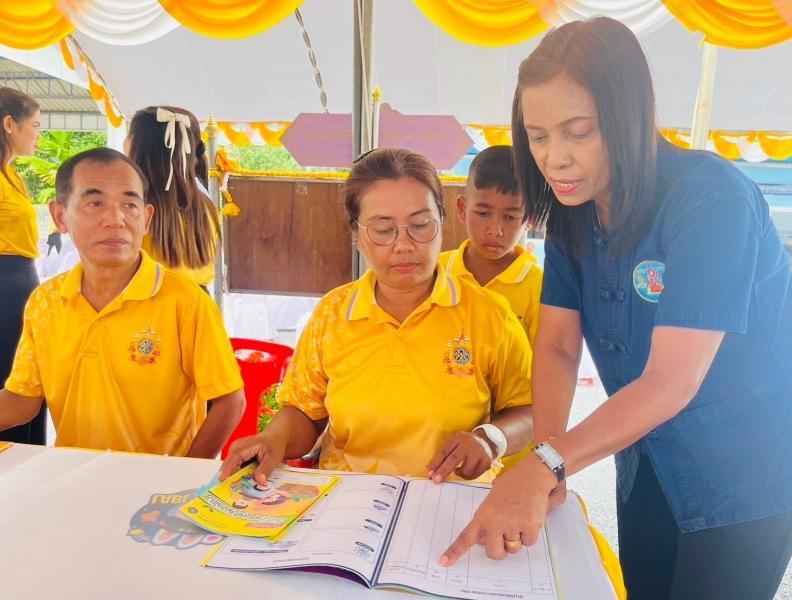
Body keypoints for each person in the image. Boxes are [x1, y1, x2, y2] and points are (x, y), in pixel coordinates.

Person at [441, 17, 792, 600]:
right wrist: (549, 459)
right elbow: (557, 345)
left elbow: (671, 380)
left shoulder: (711, 201)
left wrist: (548, 463)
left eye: (578, 132)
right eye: (537, 136)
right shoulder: (572, 214)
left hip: (747, 471)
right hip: (648, 457)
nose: (554, 159)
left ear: (629, 114)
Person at [220, 148, 533, 484]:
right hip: (347, 499)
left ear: (442, 222)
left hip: (449, 499)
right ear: (357, 236)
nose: (404, 244)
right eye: (383, 230)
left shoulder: (488, 314)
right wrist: (275, 439)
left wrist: (490, 439)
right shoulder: (333, 315)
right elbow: (304, 413)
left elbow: (529, 410)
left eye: (420, 225)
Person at [0, 147, 245, 457]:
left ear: (147, 218)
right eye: (95, 203)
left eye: (130, 205)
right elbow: (22, 401)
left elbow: (230, 400)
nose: (115, 220)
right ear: (59, 216)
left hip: (157, 481)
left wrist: (186, 473)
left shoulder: (186, 302)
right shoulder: (46, 302)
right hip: (73, 473)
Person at [440, 145, 543, 470]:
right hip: (439, 442)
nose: (495, 229)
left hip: (511, 451)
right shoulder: (436, 274)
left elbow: (547, 379)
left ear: (528, 218)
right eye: (483, 213)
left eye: (510, 217)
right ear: (462, 208)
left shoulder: (540, 288)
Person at [125, 106, 219, 290]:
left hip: (150, 301)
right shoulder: (207, 204)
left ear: (138, 145)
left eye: (129, 134)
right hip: (198, 301)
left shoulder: (132, 206)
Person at [0, 87, 47, 445]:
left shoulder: (11, 175)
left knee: (29, 380)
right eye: (35, 126)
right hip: (4, 289)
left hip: (21, 286)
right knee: (10, 379)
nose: (38, 136)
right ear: (9, 124)